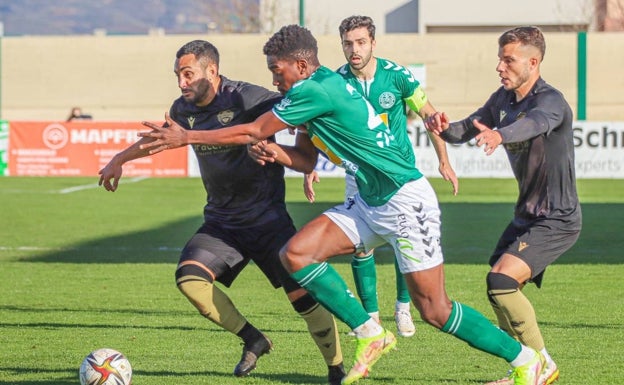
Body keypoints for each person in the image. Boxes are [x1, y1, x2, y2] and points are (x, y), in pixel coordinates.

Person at [137, 25, 547, 385]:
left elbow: (257, 129)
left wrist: (187, 138)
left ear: (299, 65)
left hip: (404, 200)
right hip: (369, 199)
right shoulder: (319, 87)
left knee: (434, 309)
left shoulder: (314, 89)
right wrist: (282, 156)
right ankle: (371, 332)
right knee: (295, 253)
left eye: (276, 70)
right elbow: (308, 154)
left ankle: (527, 362)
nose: (273, 78)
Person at [97, 39, 346, 385]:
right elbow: (163, 138)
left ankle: (336, 368)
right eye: (177, 75)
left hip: (268, 222)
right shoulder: (182, 109)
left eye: (187, 74)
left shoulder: (248, 98)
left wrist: (305, 160)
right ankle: (253, 339)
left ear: (211, 71)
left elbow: (303, 113)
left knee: (304, 299)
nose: (181, 82)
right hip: (222, 224)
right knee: (189, 279)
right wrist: (119, 158)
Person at [424, 26, 581, 385]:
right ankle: (526, 366)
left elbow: (534, 124)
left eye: (508, 60)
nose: (500, 66)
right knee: (498, 287)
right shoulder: (503, 100)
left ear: (533, 61)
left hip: (557, 217)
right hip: (526, 214)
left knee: (501, 281)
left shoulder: (551, 101)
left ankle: (539, 366)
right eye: (500, 59)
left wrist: (500, 133)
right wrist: (443, 128)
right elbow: (466, 128)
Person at [298, 15, 460, 339]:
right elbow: (319, 128)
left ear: (373, 43)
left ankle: (402, 308)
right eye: (347, 43)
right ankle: (370, 318)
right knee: (360, 249)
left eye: (360, 42)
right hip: (358, 176)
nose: (353, 49)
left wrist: (445, 161)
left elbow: (430, 115)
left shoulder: (398, 77)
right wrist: (309, 167)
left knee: (404, 244)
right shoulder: (336, 82)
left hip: (399, 177)